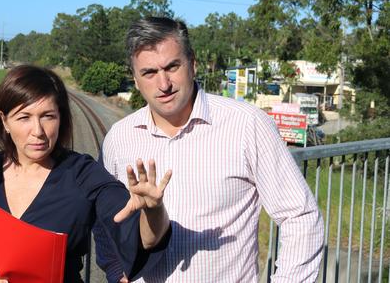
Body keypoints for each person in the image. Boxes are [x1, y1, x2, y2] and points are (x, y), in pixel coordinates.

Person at [94, 17, 323, 282]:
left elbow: (300, 217)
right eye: (149, 73)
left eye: (172, 67)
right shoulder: (118, 138)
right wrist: (114, 269)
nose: (163, 84)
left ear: (192, 64)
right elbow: (103, 218)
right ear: (135, 79)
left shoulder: (247, 124)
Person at [0, 65, 173, 283]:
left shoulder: (83, 173)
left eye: (48, 116)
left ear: (61, 118)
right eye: (24, 117)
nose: (38, 131)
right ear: (4, 121)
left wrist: (153, 211)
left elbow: (140, 238)